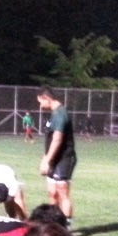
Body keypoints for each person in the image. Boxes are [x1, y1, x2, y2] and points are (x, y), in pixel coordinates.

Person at [37, 86, 77, 224]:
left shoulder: (60, 114)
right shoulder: (54, 114)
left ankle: (66, 226)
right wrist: (46, 157)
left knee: (62, 192)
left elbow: (57, 139)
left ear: (47, 98)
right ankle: (53, 224)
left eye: (40, 102)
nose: (40, 106)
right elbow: (50, 138)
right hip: (54, 159)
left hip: (63, 159)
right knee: (52, 192)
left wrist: (47, 160)